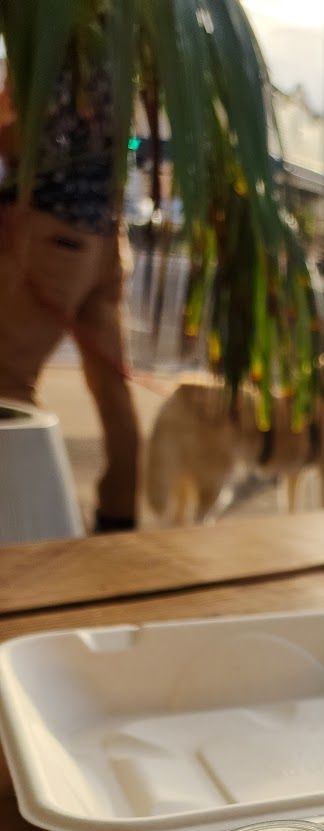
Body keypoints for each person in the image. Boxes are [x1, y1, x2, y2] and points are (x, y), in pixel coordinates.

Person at [0, 61, 139, 532]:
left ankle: (23, 521)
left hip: (55, 233)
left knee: (8, 382)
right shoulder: (120, 42)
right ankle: (120, 515)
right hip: (106, 237)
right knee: (111, 384)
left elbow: (30, 142)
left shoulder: (53, 40)